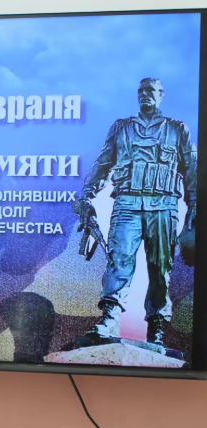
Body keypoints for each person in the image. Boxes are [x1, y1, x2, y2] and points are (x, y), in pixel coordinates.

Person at [75, 78, 197, 347]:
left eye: (150, 90)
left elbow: (192, 171)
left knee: (160, 268)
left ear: (161, 95)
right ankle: (109, 318)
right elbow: (103, 163)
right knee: (118, 261)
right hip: (127, 204)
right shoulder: (122, 128)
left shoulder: (177, 130)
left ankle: (157, 326)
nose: (145, 95)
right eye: (141, 91)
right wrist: (86, 195)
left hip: (163, 206)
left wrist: (195, 207)